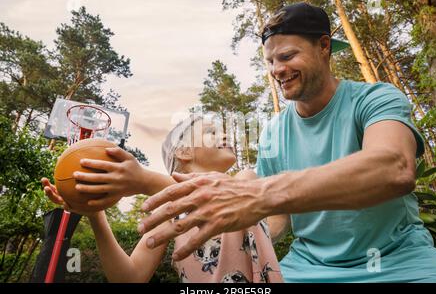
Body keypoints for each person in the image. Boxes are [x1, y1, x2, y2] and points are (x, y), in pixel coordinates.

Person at [136, 3, 436, 282]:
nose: (277, 70)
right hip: (306, 270)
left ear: (324, 46)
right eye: (270, 61)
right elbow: (276, 217)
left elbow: (394, 168)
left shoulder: (375, 98)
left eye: (287, 56)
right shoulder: (273, 132)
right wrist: (240, 238)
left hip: (399, 266)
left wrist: (259, 194)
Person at [42, 115, 283, 283]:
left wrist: (143, 179)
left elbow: (237, 203)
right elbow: (130, 277)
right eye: (211, 132)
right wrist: (96, 214)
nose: (224, 134)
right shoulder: (169, 213)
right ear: (184, 151)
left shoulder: (245, 180)